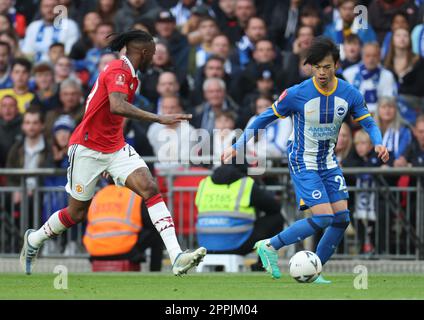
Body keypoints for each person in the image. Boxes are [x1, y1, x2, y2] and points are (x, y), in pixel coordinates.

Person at [20, 30, 206, 276]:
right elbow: (117, 106)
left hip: (115, 147)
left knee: (150, 188)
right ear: (144, 52)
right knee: (75, 213)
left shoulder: (131, 76)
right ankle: (34, 240)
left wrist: (111, 162)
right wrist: (158, 118)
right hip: (87, 148)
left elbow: (112, 113)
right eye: (153, 51)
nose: (155, 55)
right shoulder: (118, 70)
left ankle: (177, 256)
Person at [222, 36, 389, 283]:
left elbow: (368, 121)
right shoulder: (297, 93)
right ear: (310, 66)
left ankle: (315, 270)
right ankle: (269, 245)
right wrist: (238, 145)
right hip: (303, 161)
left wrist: (378, 141)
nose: (322, 72)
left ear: (336, 66)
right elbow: (264, 118)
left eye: (327, 66)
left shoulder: (348, 93)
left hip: (329, 162)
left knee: (341, 219)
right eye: (317, 66)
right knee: (323, 217)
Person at [195, 162, 285, 260]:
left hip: (205, 245)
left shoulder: (204, 183)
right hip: (236, 246)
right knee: (277, 218)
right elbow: (275, 207)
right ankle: (261, 264)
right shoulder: (245, 184)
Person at [83, 184, 164, 272]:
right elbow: (151, 224)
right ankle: (155, 272)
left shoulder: (99, 195)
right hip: (124, 250)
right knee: (159, 229)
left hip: (95, 251)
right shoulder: (135, 195)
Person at [343, 42, 397, 115]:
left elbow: (389, 101)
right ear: (362, 56)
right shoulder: (348, 73)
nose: (371, 59)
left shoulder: (387, 75)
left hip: (379, 117)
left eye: (374, 56)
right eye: (368, 56)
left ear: (380, 56)